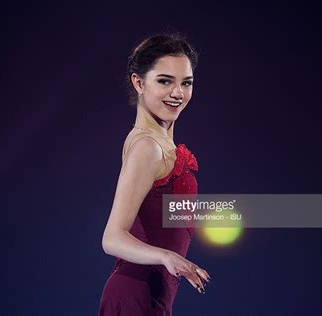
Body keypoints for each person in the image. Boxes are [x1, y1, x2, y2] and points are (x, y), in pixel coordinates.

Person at [98, 33, 211, 315]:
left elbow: (160, 216)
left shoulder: (157, 142)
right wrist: (167, 257)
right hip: (137, 295)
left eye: (186, 83)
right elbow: (112, 237)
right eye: (165, 81)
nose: (178, 93)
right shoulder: (147, 147)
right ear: (139, 82)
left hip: (153, 293)